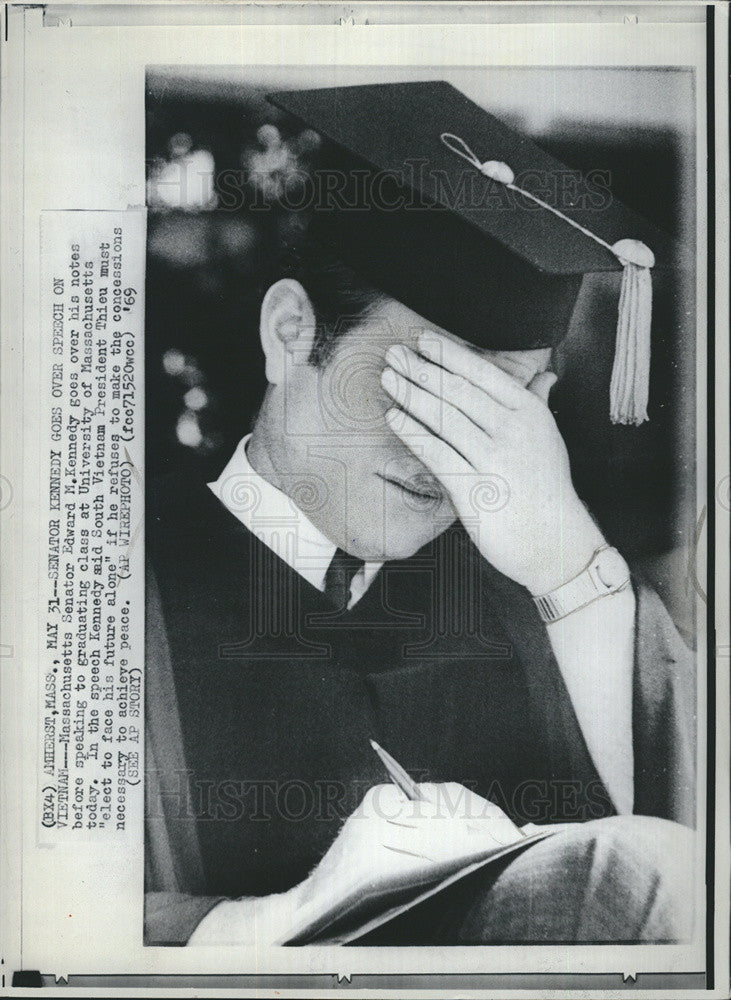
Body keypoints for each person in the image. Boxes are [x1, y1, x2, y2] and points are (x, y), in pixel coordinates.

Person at [145, 81, 697, 946]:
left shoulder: (548, 612)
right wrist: (282, 922)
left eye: (492, 411)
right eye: (419, 389)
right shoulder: (115, 594)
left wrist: (567, 568)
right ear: (292, 332)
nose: (443, 458)